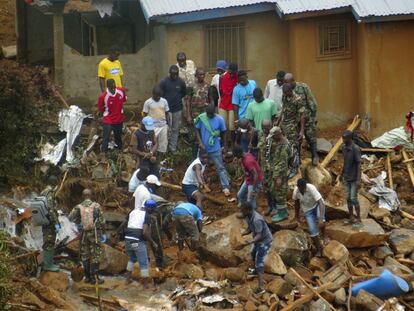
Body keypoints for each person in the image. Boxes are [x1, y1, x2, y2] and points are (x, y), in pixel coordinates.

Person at [68, 189, 106, 284]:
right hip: (95, 233)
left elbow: (70, 218)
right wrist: (103, 232)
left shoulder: (78, 207)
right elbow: (102, 221)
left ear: (83, 196)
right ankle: (95, 278)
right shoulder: (96, 206)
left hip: (84, 234)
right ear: (91, 195)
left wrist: (79, 223)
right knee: (95, 255)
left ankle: (88, 277)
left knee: (85, 255)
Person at [195, 104, 231, 196]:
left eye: (211, 114)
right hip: (203, 149)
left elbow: (224, 133)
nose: (209, 115)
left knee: (220, 167)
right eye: (208, 114)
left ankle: (225, 187)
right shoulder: (202, 118)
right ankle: (199, 186)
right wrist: (200, 142)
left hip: (215, 148)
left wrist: (225, 146)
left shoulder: (220, 119)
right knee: (200, 168)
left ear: (214, 112)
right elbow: (197, 129)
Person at [285, 73, 319, 166]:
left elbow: (312, 103)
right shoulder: (287, 90)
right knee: (296, 141)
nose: (286, 84)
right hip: (295, 121)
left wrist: (313, 117)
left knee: (310, 137)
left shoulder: (303, 87)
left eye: (287, 82)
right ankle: (297, 158)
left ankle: (314, 156)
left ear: (293, 81)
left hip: (307, 119)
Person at [240, 202, 272, 295]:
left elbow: (259, 235)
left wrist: (250, 242)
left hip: (264, 241)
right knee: (253, 253)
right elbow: (249, 229)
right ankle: (254, 271)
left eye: (243, 211)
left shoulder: (257, 219)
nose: (242, 213)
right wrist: (241, 234)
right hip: (257, 240)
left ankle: (261, 287)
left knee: (259, 263)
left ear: (248, 210)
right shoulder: (248, 216)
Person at [124, 199, 158, 287]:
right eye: (153, 210)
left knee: (132, 259)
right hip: (137, 241)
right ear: (150, 209)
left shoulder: (133, 211)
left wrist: (117, 233)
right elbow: (145, 232)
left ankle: (127, 280)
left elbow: (125, 223)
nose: (153, 212)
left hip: (128, 239)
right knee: (144, 262)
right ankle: (146, 285)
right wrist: (153, 242)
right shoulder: (146, 215)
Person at [293, 179, 326, 256]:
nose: (304, 189)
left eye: (305, 187)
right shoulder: (296, 192)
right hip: (307, 210)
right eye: (302, 188)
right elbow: (296, 203)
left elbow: (320, 202)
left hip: (317, 205)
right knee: (312, 229)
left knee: (321, 219)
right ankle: (319, 250)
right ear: (298, 187)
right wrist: (296, 216)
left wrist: (320, 218)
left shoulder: (311, 188)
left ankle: (324, 236)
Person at [187, 68, 214, 158]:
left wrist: (212, 111)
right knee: (195, 135)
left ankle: (206, 156)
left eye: (203, 74)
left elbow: (211, 99)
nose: (202, 76)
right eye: (200, 74)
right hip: (195, 112)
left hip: (206, 112)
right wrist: (188, 115)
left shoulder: (208, 86)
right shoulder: (191, 86)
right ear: (196, 75)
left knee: (206, 133)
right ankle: (194, 158)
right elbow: (188, 101)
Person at [276, 83, 304, 169]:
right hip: (284, 123)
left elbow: (302, 115)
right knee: (283, 143)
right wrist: (278, 120)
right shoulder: (284, 96)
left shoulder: (298, 99)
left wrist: (302, 130)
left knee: (293, 145)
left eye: (285, 92)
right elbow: (283, 108)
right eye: (283, 93)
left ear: (290, 91)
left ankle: (295, 164)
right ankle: (286, 161)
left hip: (292, 125)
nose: (283, 94)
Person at [159, 65, 186, 152]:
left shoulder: (181, 82)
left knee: (175, 129)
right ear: (169, 73)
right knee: (166, 129)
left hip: (177, 109)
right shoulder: (164, 82)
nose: (175, 76)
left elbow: (183, 93)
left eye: (176, 74)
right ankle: (164, 148)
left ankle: (172, 147)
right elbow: (160, 95)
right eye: (173, 74)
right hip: (167, 110)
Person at [267, 126, 290, 223]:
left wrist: (279, 177)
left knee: (280, 192)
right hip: (275, 171)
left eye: (273, 136)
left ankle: (283, 214)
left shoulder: (284, 145)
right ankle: (282, 210)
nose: (272, 138)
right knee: (275, 191)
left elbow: (283, 163)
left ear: (278, 134)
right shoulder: (277, 141)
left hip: (281, 174)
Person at [98, 78, 127, 154]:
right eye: (111, 88)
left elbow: (124, 100)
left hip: (119, 118)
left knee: (118, 136)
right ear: (108, 87)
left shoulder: (121, 91)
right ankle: (103, 154)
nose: (113, 89)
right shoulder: (103, 96)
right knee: (106, 137)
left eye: (114, 87)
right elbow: (100, 109)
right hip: (108, 119)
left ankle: (120, 152)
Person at [341, 130, 362, 228]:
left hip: (354, 178)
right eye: (342, 138)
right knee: (348, 198)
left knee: (354, 198)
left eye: (344, 138)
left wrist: (358, 179)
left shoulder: (356, 149)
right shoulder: (344, 148)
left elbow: (358, 165)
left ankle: (358, 218)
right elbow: (345, 162)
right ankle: (351, 217)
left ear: (350, 138)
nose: (343, 140)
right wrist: (341, 174)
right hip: (346, 176)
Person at [233, 145, 264, 211]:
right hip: (249, 179)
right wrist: (243, 176)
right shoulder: (245, 156)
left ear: (239, 154)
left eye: (236, 155)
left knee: (250, 199)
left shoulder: (248, 161)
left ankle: (253, 214)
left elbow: (256, 175)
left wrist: (253, 189)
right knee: (240, 195)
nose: (235, 157)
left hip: (255, 181)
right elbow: (248, 171)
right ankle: (245, 210)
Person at [40, 176, 61, 272]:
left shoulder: (43, 192)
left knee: (47, 241)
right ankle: (48, 265)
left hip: (44, 220)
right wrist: (56, 223)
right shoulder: (50, 193)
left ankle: (48, 263)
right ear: (54, 184)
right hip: (49, 223)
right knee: (49, 242)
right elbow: (51, 210)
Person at [143, 86, 170, 157]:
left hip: (163, 126)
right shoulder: (148, 102)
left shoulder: (164, 101)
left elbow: (167, 113)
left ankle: (159, 160)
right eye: (156, 96)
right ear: (153, 94)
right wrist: (146, 126)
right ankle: (151, 158)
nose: (158, 97)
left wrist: (168, 124)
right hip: (152, 126)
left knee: (162, 145)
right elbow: (145, 115)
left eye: (159, 96)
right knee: (151, 144)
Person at [219, 62, 238, 147]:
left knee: (231, 126)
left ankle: (233, 145)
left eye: (233, 73)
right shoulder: (223, 77)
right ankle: (224, 144)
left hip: (232, 104)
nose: (231, 74)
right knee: (223, 125)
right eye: (230, 72)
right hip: (223, 103)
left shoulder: (237, 77)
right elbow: (222, 90)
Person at [257, 120, 274, 216]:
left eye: (267, 127)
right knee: (266, 187)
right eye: (263, 127)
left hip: (272, 167)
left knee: (273, 188)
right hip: (263, 166)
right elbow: (259, 150)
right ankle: (269, 205)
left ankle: (274, 206)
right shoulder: (260, 135)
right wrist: (258, 164)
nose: (265, 129)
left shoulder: (273, 136)